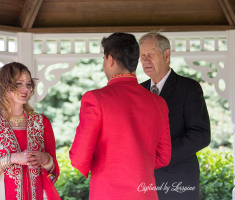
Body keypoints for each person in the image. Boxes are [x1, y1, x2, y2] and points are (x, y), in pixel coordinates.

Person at [69, 32, 171, 200]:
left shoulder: (95, 99)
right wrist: (137, 164)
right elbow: (163, 157)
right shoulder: (158, 103)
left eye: (104, 59)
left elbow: (79, 158)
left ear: (110, 60)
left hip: (107, 194)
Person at [0, 62, 60, 200]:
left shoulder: (41, 123)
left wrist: (44, 158)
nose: (25, 89)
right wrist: (13, 158)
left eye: (29, 84)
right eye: (19, 84)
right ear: (6, 86)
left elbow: (53, 169)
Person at [139, 32, 211, 200]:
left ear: (166, 55)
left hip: (179, 181)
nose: (145, 60)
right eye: (142, 56)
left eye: (150, 54)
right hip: (143, 181)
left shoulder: (188, 88)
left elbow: (201, 135)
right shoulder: (138, 91)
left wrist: (161, 157)